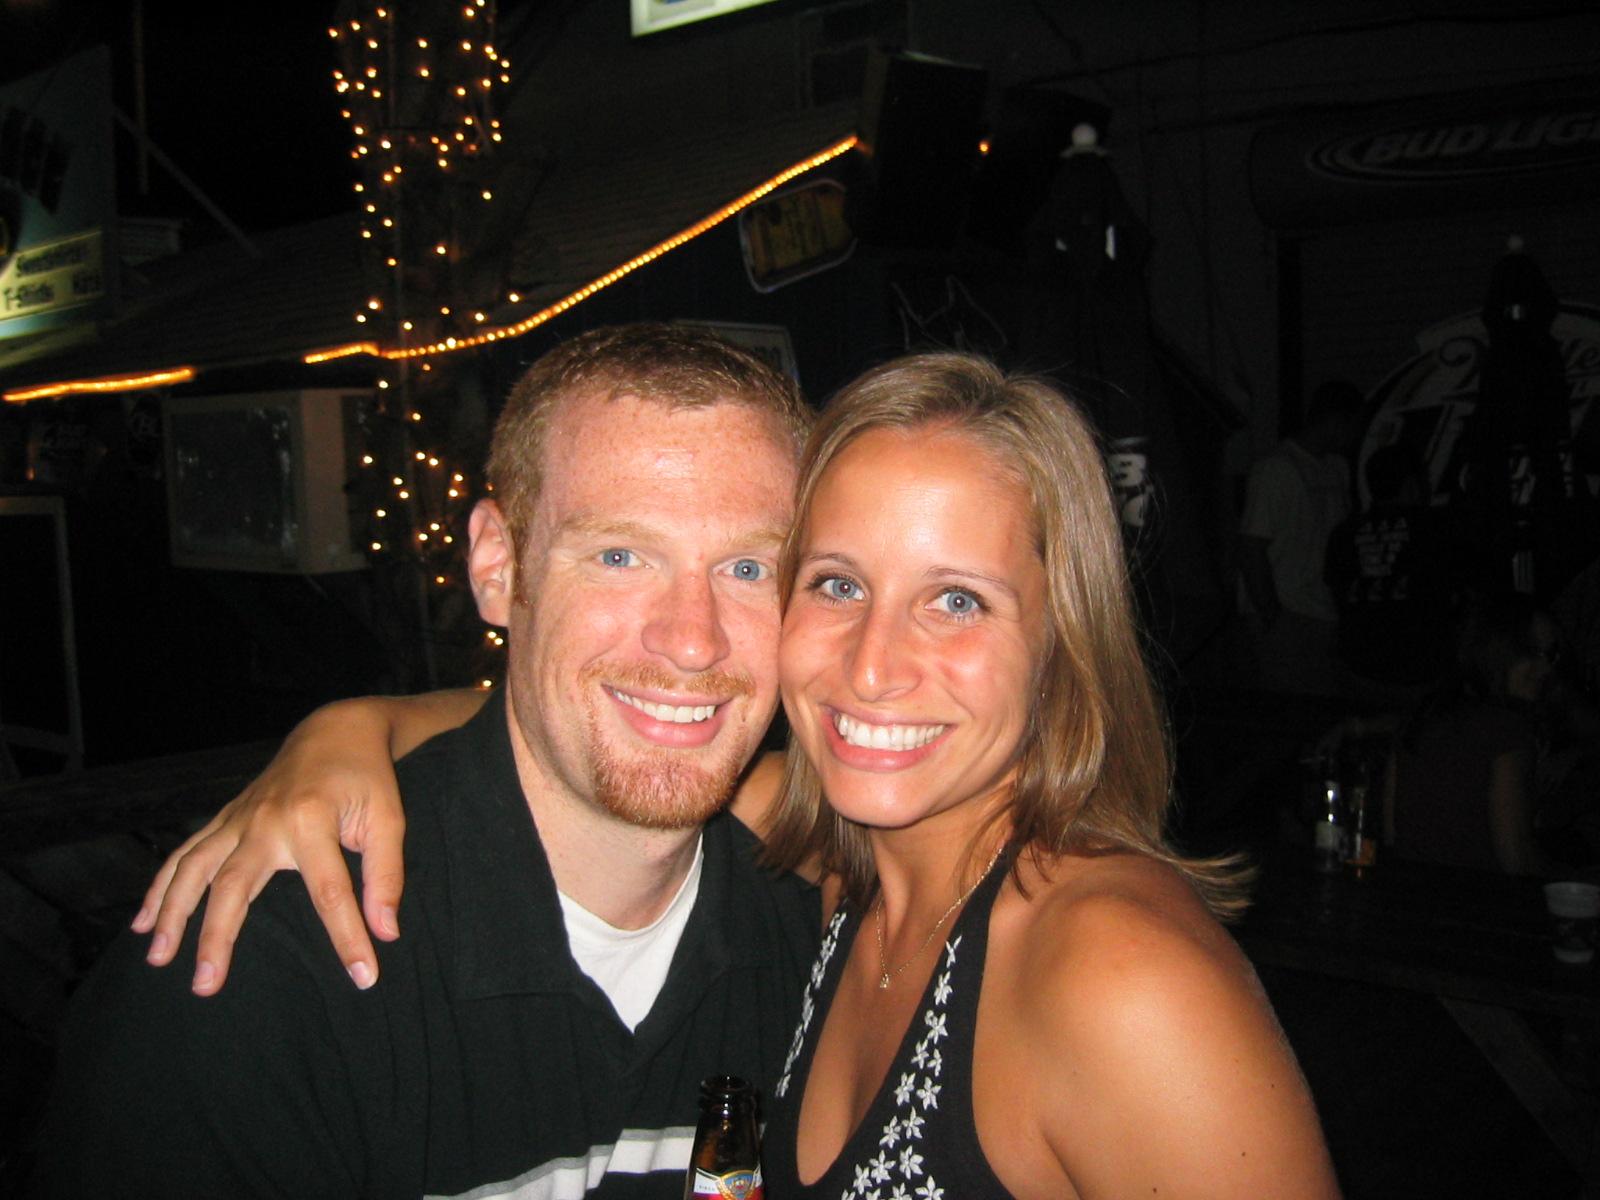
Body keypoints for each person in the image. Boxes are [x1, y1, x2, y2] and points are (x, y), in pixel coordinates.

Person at [134, 354, 1339, 1197]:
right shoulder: (813, 861)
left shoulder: (1119, 976)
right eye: (835, 584)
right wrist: (352, 727)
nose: (874, 665)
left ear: (1062, 638)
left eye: (958, 601)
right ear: (497, 567)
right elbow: (589, 734)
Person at [22, 324, 822, 1197]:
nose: (693, 640)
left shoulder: (825, 938)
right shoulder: (254, 982)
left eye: (749, 568)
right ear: (496, 566)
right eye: (619, 556)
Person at [1387, 593, 1561, 876]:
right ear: (1497, 650)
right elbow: (1516, 858)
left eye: (1550, 654)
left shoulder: (1422, 717)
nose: (1546, 668)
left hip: (1410, 891)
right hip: (1476, 898)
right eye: (1532, 652)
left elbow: (1393, 834)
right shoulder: (1506, 731)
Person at [1237, 378, 1365, 696]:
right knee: (1293, 703)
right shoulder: (1275, 469)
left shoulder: (1337, 468)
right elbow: (1252, 547)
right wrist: (1272, 617)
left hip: (1323, 608)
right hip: (1288, 610)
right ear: (1337, 420)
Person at [1324, 439, 1460, 705]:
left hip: (1359, 667)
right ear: (1411, 485)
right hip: (1422, 670)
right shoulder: (1436, 527)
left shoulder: (1343, 534)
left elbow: (1335, 592)